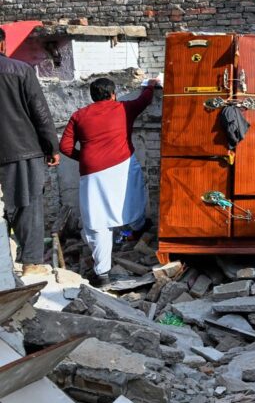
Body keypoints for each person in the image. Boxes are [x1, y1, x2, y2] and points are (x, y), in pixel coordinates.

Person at [60, 77, 159, 286]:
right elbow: (146, 99)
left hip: (92, 173)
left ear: (92, 96)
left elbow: (65, 146)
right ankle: (137, 228)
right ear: (113, 94)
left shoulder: (79, 115)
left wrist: (86, 157)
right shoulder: (124, 108)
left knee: (97, 221)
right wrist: (150, 84)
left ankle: (102, 273)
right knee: (134, 198)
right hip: (122, 165)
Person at [0, 29, 60, 278]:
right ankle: (31, 262)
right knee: (28, 205)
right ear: (2, 44)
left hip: (16, 149)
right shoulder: (20, 70)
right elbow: (40, 112)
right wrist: (51, 147)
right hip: (22, 148)